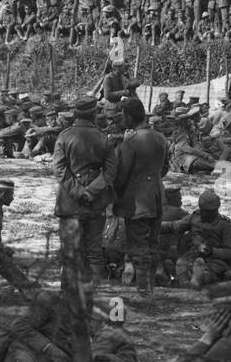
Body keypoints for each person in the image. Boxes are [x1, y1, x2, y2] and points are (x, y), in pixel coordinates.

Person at [51, 97, 118, 282]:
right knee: (94, 252)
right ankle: (96, 295)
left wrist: (78, 192)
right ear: (94, 114)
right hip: (95, 203)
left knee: (70, 252)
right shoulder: (103, 137)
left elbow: (59, 168)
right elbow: (111, 172)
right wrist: (91, 191)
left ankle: (68, 296)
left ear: (75, 113)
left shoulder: (64, 136)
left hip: (69, 202)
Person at [113, 97, 168, 296]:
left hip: (137, 201)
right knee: (152, 245)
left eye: (123, 116)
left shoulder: (131, 142)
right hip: (157, 197)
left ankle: (144, 291)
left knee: (138, 247)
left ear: (129, 117)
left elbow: (121, 175)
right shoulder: (160, 137)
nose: (121, 120)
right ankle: (150, 288)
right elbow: (165, 169)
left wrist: (116, 196)